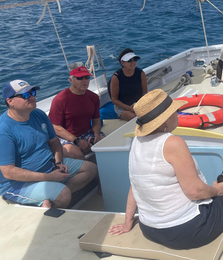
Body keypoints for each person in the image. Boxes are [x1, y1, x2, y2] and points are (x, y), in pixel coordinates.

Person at [109, 89, 223, 249]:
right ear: (164, 121)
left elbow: (135, 185)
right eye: (174, 111)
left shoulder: (137, 142)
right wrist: (216, 190)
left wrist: (127, 223)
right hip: (185, 231)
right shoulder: (172, 143)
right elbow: (195, 192)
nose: (178, 113)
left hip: (149, 229)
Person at [0, 80, 97, 208]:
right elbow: (8, 172)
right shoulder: (4, 130)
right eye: (25, 95)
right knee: (64, 195)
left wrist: (58, 163)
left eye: (32, 93)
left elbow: (54, 142)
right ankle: (52, 195)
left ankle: (51, 195)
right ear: (10, 101)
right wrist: (48, 177)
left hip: (50, 167)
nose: (32, 97)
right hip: (19, 184)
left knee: (91, 169)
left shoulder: (38, 114)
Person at [49, 63, 105, 160]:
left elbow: (96, 120)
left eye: (87, 77)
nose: (84, 81)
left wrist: (94, 133)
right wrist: (77, 141)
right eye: (80, 78)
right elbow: (55, 127)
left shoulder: (93, 97)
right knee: (78, 155)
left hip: (87, 133)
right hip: (65, 137)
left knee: (106, 143)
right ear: (71, 80)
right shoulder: (60, 99)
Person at [109, 48, 148, 121]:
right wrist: (129, 108)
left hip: (138, 104)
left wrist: (140, 105)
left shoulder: (141, 73)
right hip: (122, 107)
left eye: (135, 59)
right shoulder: (116, 77)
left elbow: (144, 93)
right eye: (129, 60)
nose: (133, 62)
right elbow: (114, 100)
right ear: (122, 63)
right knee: (135, 118)